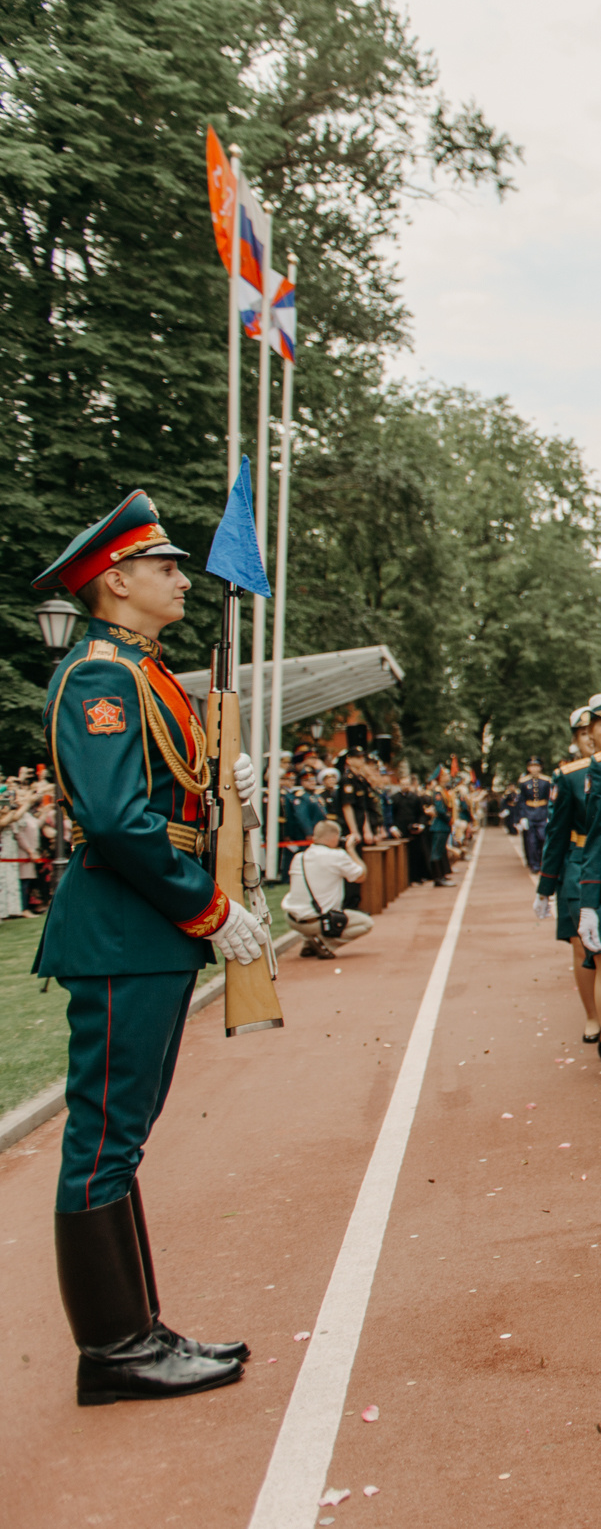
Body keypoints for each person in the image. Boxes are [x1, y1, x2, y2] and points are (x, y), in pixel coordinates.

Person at [32, 490, 267, 1404]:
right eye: (164, 565)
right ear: (117, 579)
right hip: (128, 926)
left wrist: (222, 778)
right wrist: (207, 908)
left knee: (118, 1139)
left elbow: (163, 793)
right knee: (102, 1141)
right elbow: (119, 824)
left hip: (141, 930)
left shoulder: (142, 670)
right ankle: (114, 1349)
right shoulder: (100, 674)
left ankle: (135, 1329)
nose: (179, 576)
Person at [538, 709, 601, 1049]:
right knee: (584, 946)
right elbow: (556, 834)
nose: (590, 740)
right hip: (578, 864)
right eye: (584, 735)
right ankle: (594, 1015)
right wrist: (545, 886)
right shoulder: (570, 776)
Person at [285, 819, 372, 956]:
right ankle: (325, 944)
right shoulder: (337, 856)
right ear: (334, 837)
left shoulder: (299, 857)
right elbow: (361, 875)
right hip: (319, 921)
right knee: (366, 923)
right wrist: (350, 849)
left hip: (292, 920)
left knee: (310, 903)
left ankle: (308, 942)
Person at [512, 757, 554, 871]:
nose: (534, 768)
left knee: (543, 838)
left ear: (540, 767)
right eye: (532, 766)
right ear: (528, 768)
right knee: (531, 841)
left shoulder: (546, 781)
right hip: (529, 813)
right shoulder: (524, 782)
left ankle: (542, 862)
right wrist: (521, 817)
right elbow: (521, 801)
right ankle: (534, 864)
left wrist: (550, 815)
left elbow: (550, 799)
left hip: (542, 812)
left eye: (536, 766)